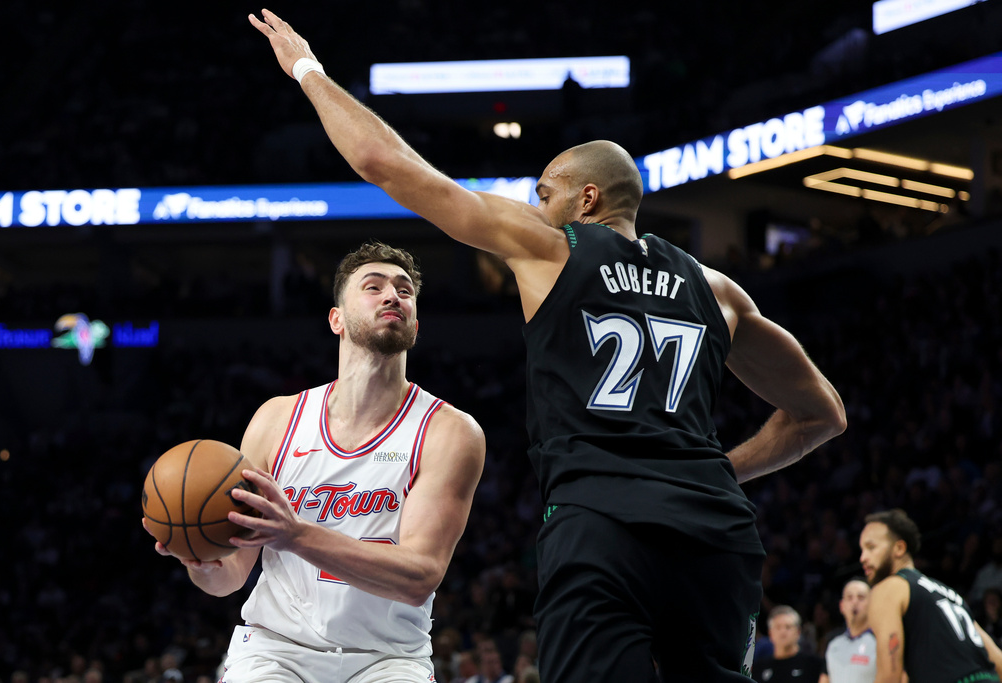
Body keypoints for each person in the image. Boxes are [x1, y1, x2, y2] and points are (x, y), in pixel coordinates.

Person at [247, 10, 847, 682]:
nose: (533, 206)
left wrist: (307, 69)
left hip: (602, 522)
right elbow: (823, 413)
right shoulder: (720, 291)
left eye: (544, 193)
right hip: (718, 534)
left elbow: (382, 162)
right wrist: (718, 472)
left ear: (586, 199)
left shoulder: (551, 248)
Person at [144, 242, 486, 683]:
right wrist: (200, 559)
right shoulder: (277, 419)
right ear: (336, 319)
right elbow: (231, 576)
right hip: (276, 650)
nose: (392, 296)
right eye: (373, 286)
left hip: (388, 659)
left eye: (404, 290)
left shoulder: (449, 431)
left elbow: (419, 577)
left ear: (415, 325)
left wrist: (297, 535)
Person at [860, 509, 1002, 683]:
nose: (862, 558)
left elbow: (890, 676)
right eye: (861, 550)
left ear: (899, 548)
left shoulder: (888, 589)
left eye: (871, 547)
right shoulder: (948, 594)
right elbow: (998, 661)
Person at [751, 606, 828, 683]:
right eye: (778, 627)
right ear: (770, 633)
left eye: (788, 627)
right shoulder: (758, 668)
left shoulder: (814, 665)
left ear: (798, 632)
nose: (783, 632)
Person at [825, 580, 878, 683]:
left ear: (872, 603)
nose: (855, 602)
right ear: (841, 606)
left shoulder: (879, 642)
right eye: (849, 598)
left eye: (861, 598)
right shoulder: (833, 645)